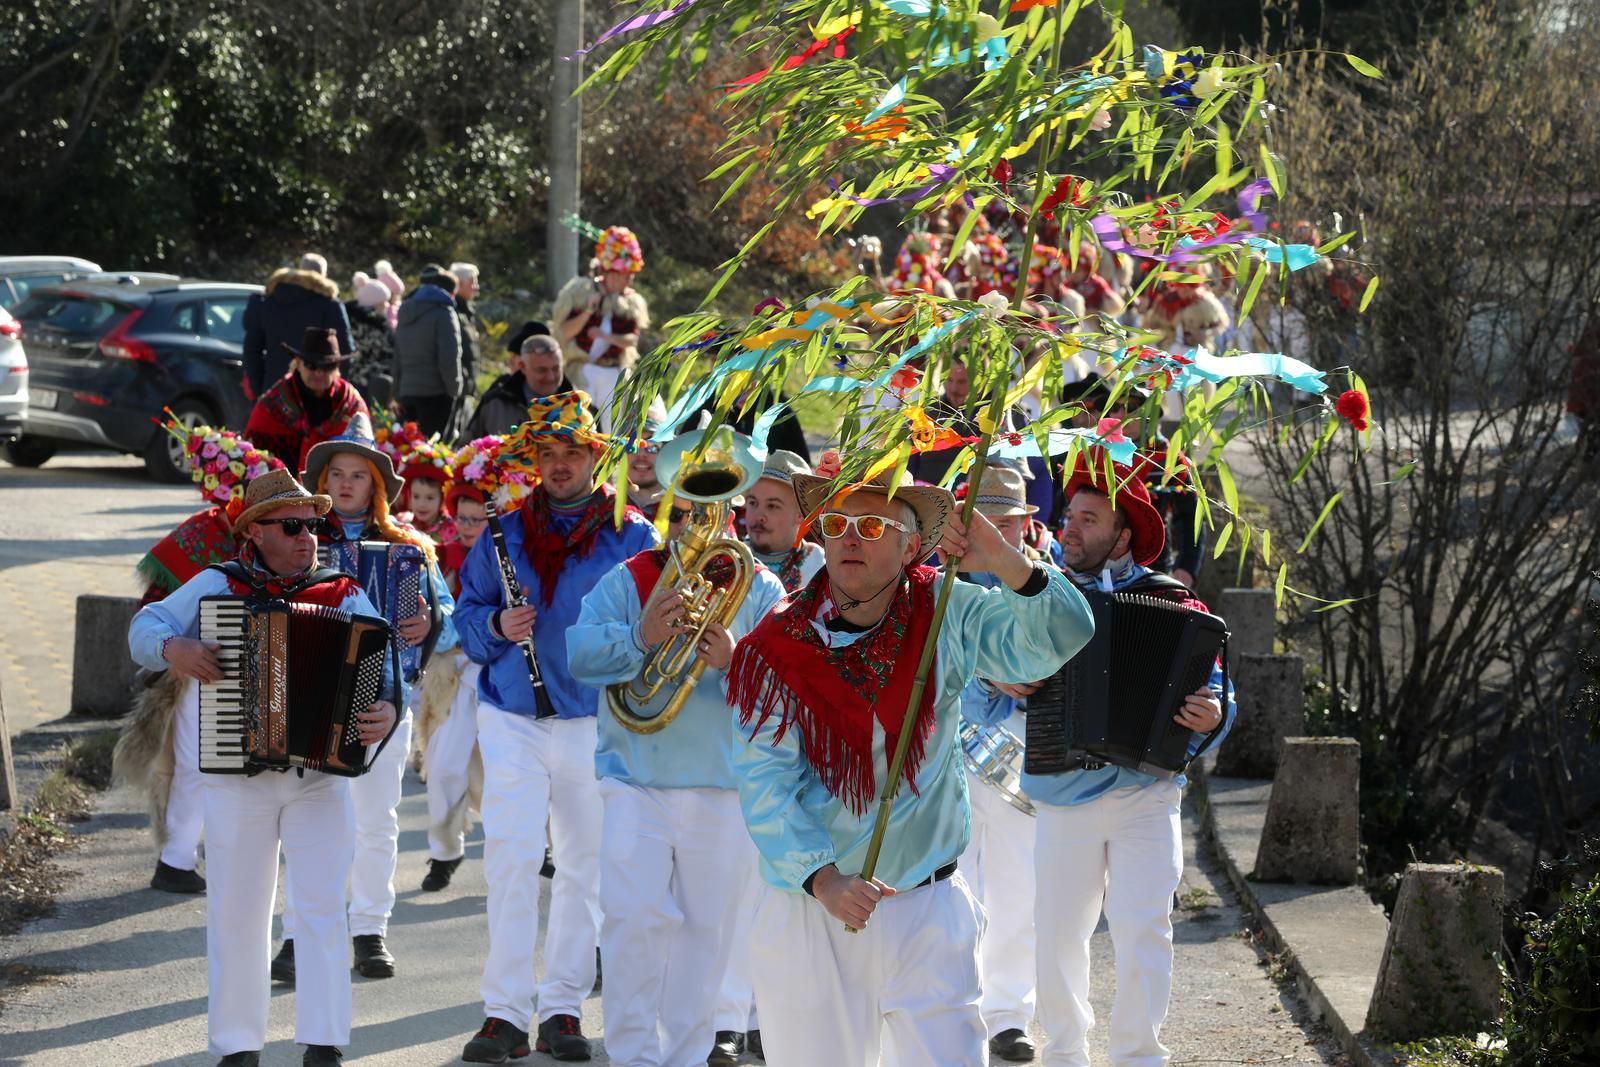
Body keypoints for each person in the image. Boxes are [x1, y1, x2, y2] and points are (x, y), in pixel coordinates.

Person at [724, 463, 1094, 1067]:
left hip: (928, 904)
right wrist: (823, 879)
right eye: (838, 523)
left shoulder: (947, 610)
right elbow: (763, 785)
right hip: (813, 910)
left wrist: (1003, 557)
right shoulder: (775, 649)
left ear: (909, 545)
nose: (849, 537)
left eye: (871, 524)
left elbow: (1062, 634)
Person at [126, 469, 398, 1066]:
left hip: (319, 780)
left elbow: (387, 669)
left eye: (315, 526)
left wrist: (385, 711)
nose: (309, 538)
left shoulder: (343, 592)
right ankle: (237, 1047)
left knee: (324, 907)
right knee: (236, 913)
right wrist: (176, 649)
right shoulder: (216, 585)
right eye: (293, 527)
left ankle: (324, 1043)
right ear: (256, 534)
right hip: (235, 777)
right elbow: (143, 629)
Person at [568, 427, 787, 1067]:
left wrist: (736, 659)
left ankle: (686, 1059)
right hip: (634, 778)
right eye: (694, 499)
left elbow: (793, 680)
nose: (707, 513)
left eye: (718, 499)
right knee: (632, 923)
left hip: (722, 787)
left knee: (707, 937)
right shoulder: (628, 578)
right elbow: (579, 655)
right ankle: (633, 1057)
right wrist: (640, 635)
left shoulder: (760, 587)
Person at [453, 391, 659, 1063]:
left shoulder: (634, 535)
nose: (561, 465)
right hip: (512, 712)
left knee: (583, 867)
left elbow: (659, 628)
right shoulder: (503, 531)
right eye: (550, 454)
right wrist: (492, 625)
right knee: (511, 859)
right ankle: (504, 1013)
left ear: (596, 457)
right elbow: (466, 613)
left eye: (574, 452)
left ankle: (563, 1007)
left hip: (594, 718)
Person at [1023, 455, 1233, 1067]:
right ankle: (1064, 1054)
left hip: (1147, 791)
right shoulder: (1040, 597)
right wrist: (999, 679)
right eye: (1069, 516)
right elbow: (990, 664)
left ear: (1123, 536)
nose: (1071, 529)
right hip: (1062, 791)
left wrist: (1213, 715)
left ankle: (1138, 1057)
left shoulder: (1175, 604)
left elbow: (1217, 689)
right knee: (1059, 936)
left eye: (1089, 520)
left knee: (1147, 928)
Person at [268, 427, 455, 984]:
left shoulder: (409, 549)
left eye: (358, 476)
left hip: (384, 702)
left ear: (374, 487)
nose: (346, 485)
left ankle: (369, 928)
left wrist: (429, 624)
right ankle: (298, 935)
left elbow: (447, 615)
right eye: (336, 475)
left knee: (377, 818)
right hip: (309, 697)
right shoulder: (295, 538)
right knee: (308, 824)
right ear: (320, 484)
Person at [114, 429, 283, 896]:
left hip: (267, 669)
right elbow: (152, 609)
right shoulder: (199, 535)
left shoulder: (292, 540)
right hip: (197, 671)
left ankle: (226, 856)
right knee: (198, 764)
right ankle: (177, 859)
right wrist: (175, 650)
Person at [950, 465, 1053, 1063]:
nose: (997, 533)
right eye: (986, 522)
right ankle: (955, 1005)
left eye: (1008, 523)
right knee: (952, 890)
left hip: (1021, 759)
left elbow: (1070, 649)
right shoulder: (938, 585)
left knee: (1018, 891)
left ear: (1022, 526)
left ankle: (1008, 1015)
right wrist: (986, 666)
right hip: (948, 759)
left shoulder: (1047, 582)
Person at [416, 458, 500, 892]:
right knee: (446, 763)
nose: (467, 527)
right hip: (452, 673)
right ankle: (445, 852)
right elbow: (437, 620)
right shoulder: (441, 559)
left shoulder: (513, 560)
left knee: (511, 770)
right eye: (461, 518)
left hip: (505, 673)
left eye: (477, 519)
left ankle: (541, 848)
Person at [552, 227, 650, 427]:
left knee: (614, 427)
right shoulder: (580, 292)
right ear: (610, 273)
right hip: (580, 371)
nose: (629, 280)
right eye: (625, 275)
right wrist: (588, 311)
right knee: (579, 423)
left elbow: (632, 339)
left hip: (614, 373)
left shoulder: (630, 302)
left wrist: (608, 338)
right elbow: (563, 333)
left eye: (631, 275)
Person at [244, 327, 370, 470]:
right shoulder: (272, 404)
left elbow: (367, 457)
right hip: (282, 487)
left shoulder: (351, 404)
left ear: (337, 368)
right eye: (311, 365)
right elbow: (252, 457)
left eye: (327, 366)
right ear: (298, 364)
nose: (318, 372)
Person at [243, 255, 355, 400]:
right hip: (317, 393)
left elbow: (252, 351)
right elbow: (344, 351)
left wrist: (260, 389)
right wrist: (335, 392)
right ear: (324, 276)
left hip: (274, 389)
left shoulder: (267, 302)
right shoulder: (329, 306)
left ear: (300, 271)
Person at [460, 333, 576, 441]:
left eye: (556, 369)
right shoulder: (495, 405)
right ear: (522, 366)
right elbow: (468, 451)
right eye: (542, 370)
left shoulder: (579, 405)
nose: (550, 377)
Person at [394, 265, 465, 437]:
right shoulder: (444, 312)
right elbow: (449, 357)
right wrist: (455, 389)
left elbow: (397, 356)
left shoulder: (405, 311)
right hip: (436, 393)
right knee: (433, 453)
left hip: (407, 392)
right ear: (449, 292)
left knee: (407, 449)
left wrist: (397, 391)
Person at [742, 449, 825, 593]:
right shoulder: (731, 560)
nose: (759, 516)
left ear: (800, 514)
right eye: (753, 503)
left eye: (772, 506)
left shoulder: (816, 564)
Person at [344, 273, 395, 406]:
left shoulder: (351, 320)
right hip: (369, 381)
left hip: (357, 378)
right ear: (373, 303)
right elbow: (383, 351)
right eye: (383, 302)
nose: (386, 305)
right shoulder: (372, 325)